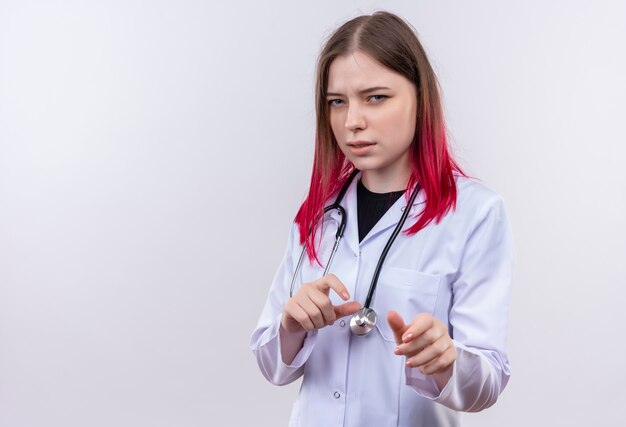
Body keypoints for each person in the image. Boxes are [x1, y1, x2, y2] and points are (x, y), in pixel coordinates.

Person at [250, 11, 513, 427]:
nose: (352, 121)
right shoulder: (319, 214)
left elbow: (488, 382)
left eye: (376, 97)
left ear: (420, 98)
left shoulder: (475, 214)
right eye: (337, 102)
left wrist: (446, 360)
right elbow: (273, 366)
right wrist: (291, 324)